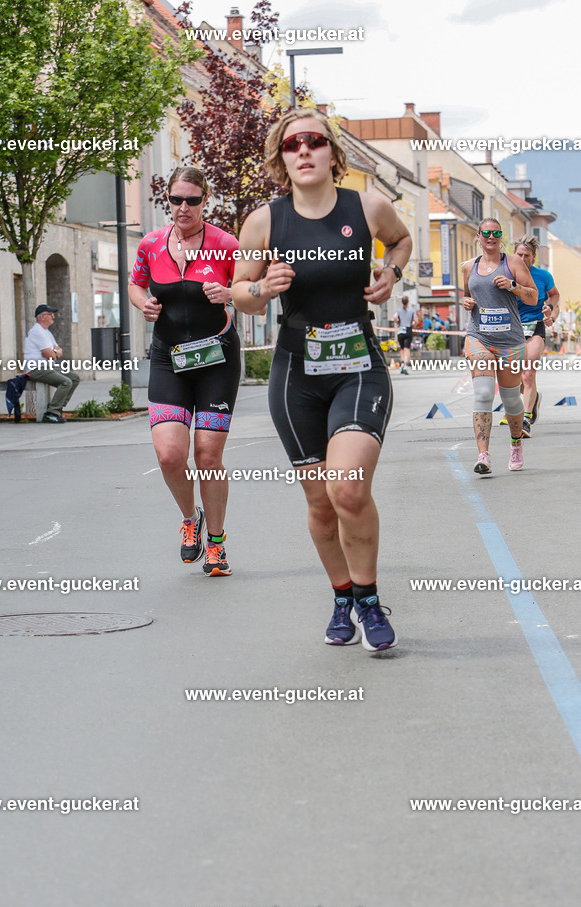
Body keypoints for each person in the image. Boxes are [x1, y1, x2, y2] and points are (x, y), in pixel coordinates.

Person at [232, 108, 412, 651]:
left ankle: (370, 597)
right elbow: (238, 289)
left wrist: (391, 272)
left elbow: (400, 241)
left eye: (313, 141)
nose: (303, 151)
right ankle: (342, 597)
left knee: (349, 488)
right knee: (319, 502)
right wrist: (263, 288)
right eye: (291, 145)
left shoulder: (368, 206)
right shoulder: (265, 220)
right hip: (296, 374)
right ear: (281, 158)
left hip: (358, 364)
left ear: (333, 153)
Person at [128, 167, 242, 577]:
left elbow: (251, 290)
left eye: (192, 200)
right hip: (168, 358)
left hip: (217, 359)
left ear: (204, 201)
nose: (183, 208)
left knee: (208, 455)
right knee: (170, 455)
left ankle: (216, 544)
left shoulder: (225, 244)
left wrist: (230, 293)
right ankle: (189, 517)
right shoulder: (151, 244)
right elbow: (135, 284)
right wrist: (143, 303)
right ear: (168, 202)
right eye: (176, 200)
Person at [462, 218, 538, 474]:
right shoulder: (468, 266)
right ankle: (483, 455)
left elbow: (533, 295)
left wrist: (513, 286)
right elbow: (466, 294)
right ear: (478, 236)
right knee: (483, 393)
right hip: (478, 337)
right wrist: (466, 303)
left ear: (500, 236)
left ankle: (516, 443)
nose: (491, 237)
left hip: (510, 341)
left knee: (509, 399)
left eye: (496, 233)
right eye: (486, 233)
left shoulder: (513, 262)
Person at [507, 235, 560, 437]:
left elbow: (554, 294)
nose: (522, 258)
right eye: (519, 254)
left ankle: (526, 419)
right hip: (512, 327)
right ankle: (534, 398)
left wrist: (551, 312)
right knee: (517, 379)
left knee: (528, 373)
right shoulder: (507, 274)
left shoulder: (543, 276)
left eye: (526, 255)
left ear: (533, 257)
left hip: (535, 325)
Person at [23, 305, 80, 423]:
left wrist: (54, 352)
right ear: (43, 317)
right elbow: (50, 354)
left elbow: (58, 350)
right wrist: (54, 352)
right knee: (66, 382)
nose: (53, 317)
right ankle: (52, 413)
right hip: (36, 369)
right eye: (50, 314)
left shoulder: (46, 332)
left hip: (47, 367)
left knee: (74, 378)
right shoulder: (37, 331)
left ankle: (58, 407)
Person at [394, 295, 415, 373]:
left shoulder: (398, 310)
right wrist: (413, 324)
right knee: (407, 349)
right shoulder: (412, 310)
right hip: (408, 330)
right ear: (408, 302)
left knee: (402, 348)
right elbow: (415, 320)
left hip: (401, 330)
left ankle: (402, 365)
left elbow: (395, 317)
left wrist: (398, 322)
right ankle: (406, 365)